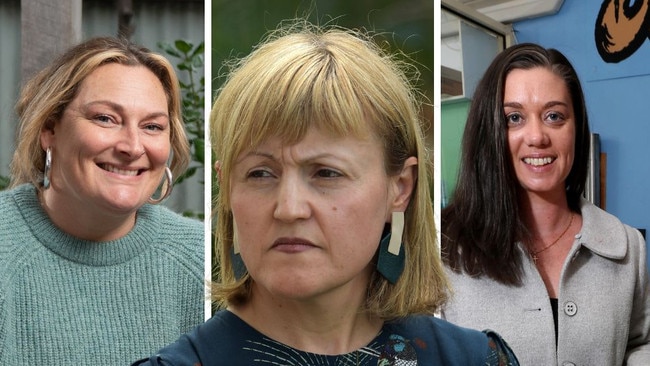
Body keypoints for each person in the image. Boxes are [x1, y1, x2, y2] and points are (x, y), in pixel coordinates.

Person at [133, 22, 519, 366]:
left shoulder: (474, 359)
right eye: (260, 173)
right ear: (228, 188)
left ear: (399, 189)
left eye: (326, 173)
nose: (289, 208)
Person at [440, 42, 650, 365]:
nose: (537, 136)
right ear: (490, 131)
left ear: (576, 128)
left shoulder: (628, 249)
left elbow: (641, 342)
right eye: (514, 118)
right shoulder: (444, 250)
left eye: (554, 116)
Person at [0, 37, 205, 365]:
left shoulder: (201, 260)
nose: (132, 146)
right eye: (106, 119)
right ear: (49, 129)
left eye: (152, 126)